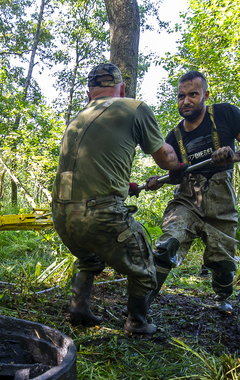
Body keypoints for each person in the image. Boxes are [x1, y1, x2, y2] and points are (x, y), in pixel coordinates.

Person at [52, 63, 182, 334]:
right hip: (99, 216)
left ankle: (78, 308)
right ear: (122, 89)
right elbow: (166, 160)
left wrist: (124, 185)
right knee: (145, 265)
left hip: (62, 217)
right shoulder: (134, 107)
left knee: (88, 258)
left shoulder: (77, 118)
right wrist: (179, 159)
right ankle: (137, 322)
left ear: (90, 94)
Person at [146, 70, 240, 313]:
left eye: (193, 95)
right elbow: (175, 172)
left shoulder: (225, 114)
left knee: (222, 262)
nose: (186, 101)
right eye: (181, 96)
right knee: (167, 245)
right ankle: (142, 303)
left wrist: (234, 155)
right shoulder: (175, 136)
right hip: (187, 200)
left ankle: (222, 298)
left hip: (221, 200)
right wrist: (159, 180)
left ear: (205, 95)